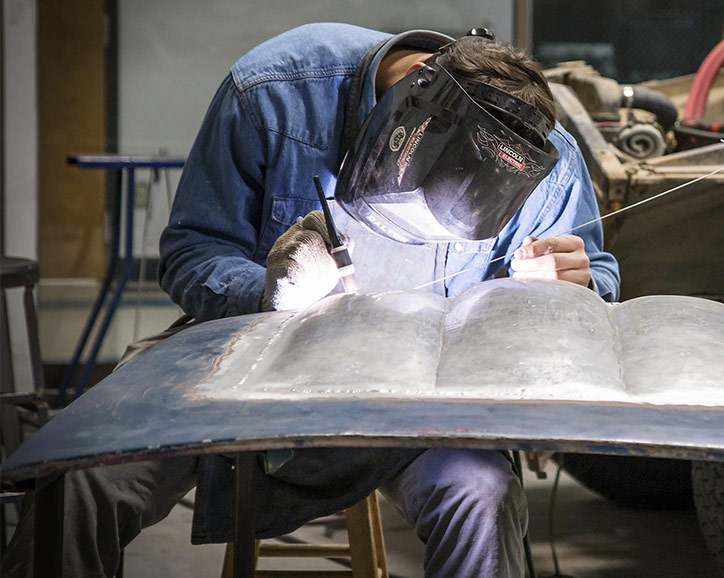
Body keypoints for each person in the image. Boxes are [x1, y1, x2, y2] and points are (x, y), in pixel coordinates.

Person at [1, 23, 618, 578]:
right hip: (249, 368)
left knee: (481, 494)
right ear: (407, 102)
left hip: (420, 401)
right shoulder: (273, 91)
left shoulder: (540, 156)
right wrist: (267, 290)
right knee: (80, 480)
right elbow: (192, 252)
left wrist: (575, 289)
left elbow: (601, 277)